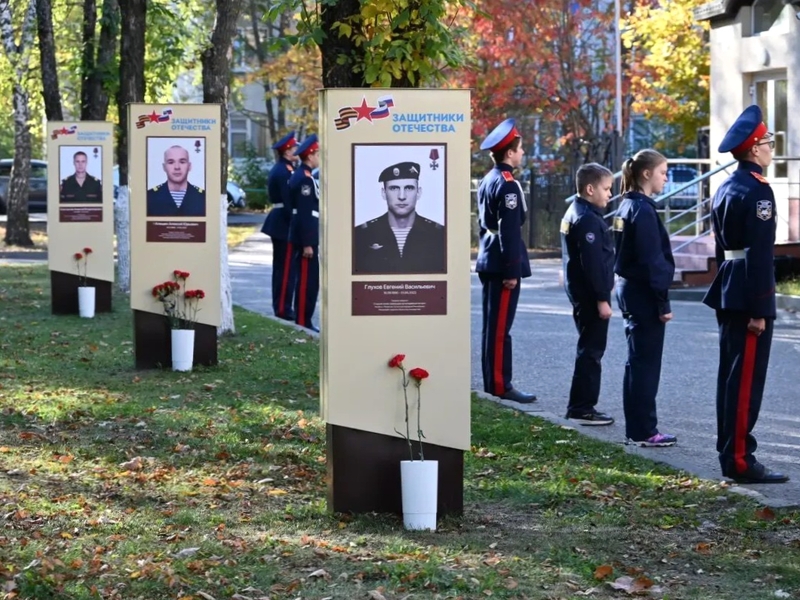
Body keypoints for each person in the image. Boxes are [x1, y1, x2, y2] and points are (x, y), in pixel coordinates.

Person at [702, 105, 788, 484]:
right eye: (768, 142)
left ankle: (730, 450)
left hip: (730, 286)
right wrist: (759, 309)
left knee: (732, 376)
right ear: (754, 149)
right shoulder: (758, 192)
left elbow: (724, 250)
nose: (772, 148)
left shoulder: (727, 187)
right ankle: (739, 459)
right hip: (748, 294)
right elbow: (759, 254)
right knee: (745, 380)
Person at [613, 149, 677, 447]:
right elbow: (654, 262)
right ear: (647, 173)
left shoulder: (627, 206)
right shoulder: (643, 210)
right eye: (663, 172)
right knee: (645, 366)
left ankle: (636, 428)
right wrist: (663, 304)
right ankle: (644, 430)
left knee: (636, 363)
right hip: (644, 296)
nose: (666, 178)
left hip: (630, 292)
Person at [475, 118, 536, 404]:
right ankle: (500, 385)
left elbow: (484, 224)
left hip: (490, 256)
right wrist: (512, 270)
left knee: (492, 326)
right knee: (500, 329)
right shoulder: (508, 184)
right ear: (510, 152)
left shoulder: (489, 179)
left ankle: (493, 381)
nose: (523, 153)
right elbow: (510, 230)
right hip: (502, 263)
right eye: (520, 148)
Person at [561, 163, 615, 426]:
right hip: (590, 297)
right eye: (606, 189)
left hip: (581, 293)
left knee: (588, 349)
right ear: (590, 188)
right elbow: (593, 264)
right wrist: (603, 299)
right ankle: (582, 408)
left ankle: (580, 405)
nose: (609, 194)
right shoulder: (587, 219)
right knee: (591, 352)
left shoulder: (577, 211)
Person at [353, 161, 445, 274]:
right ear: (383, 193)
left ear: (419, 192)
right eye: (394, 188)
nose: (402, 196)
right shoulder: (361, 234)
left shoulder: (438, 235)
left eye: (409, 188)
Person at [261, 131, 298, 321]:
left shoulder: (284, 169)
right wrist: (296, 224)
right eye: (294, 148)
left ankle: (282, 306)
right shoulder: (285, 171)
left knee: (283, 268)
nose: (297, 151)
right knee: (285, 270)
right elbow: (288, 201)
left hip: (281, 222)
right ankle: (283, 308)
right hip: (284, 224)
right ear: (286, 151)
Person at [288, 134, 321, 332]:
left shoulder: (305, 176)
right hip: (306, 239)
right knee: (306, 282)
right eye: (317, 154)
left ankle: (304, 318)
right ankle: (302, 320)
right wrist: (308, 242)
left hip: (307, 236)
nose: (319, 157)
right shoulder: (304, 180)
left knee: (310, 281)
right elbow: (304, 213)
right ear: (310, 156)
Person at [147, 145, 205, 217]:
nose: (177, 167)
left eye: (182, 162)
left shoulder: (203, 197)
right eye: (171, 162)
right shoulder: (149, 197)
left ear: (189, 166)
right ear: (164, 167)